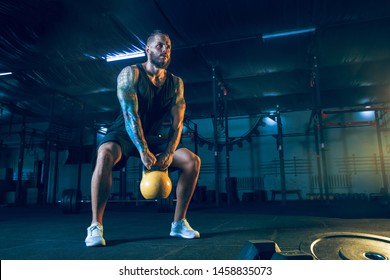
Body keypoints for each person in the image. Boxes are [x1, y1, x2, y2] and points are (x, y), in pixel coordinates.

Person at [85, 30, 201, 247]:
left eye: (168, 46)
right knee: (105, 153)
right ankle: (95, 226)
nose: (165, 50)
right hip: (124, 132)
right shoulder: (130, 74)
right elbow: (130, 115)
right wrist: (142, 150)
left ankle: (178, 223)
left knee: (192, 161)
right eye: (159, 45)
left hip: (154, 135)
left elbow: (177, 125)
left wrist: (167, 152)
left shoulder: (176, 83)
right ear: (147, 50)